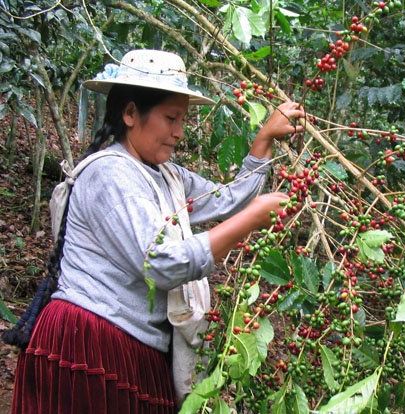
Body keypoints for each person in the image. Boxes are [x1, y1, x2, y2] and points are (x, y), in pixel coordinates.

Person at [9, 49, 305, 413]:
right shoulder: (110, 175)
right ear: (130, 113)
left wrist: (263, 142)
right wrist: (248, 223)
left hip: (133, 347)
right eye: (170, 119)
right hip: (88, 343)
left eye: (182, 120)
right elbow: (160, 265)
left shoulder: (167, 176)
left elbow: (225, 200)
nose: (179, 133)